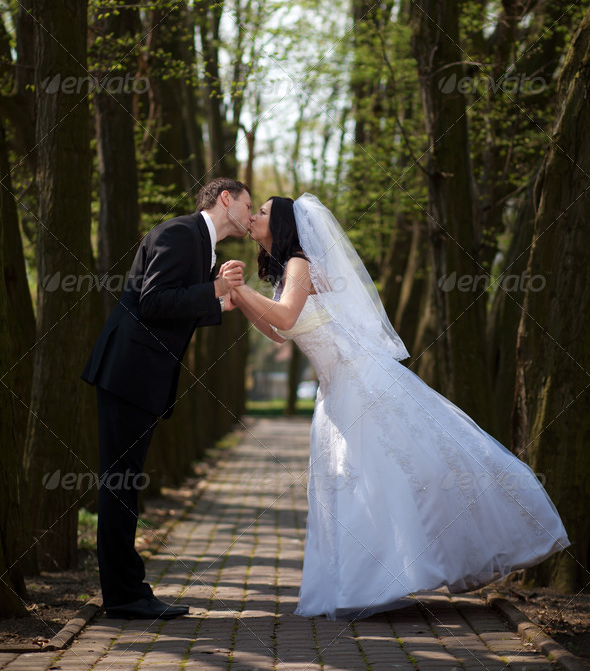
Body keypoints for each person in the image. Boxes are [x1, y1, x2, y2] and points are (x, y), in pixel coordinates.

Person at [229, 193, 570, 621]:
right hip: (336, 388)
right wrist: (241, 300)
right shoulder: (287, 270)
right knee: (357, 478)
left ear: (280, 224)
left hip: (357, 381)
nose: (255, 216)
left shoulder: (298, 263)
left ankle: (379, 580)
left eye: (261, 211)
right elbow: (280, 333)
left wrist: (241, 290)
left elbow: (283, 317)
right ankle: (371, 580)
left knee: (376, 474)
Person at [81, 177, 251, 620]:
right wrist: (213, 291)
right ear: (225, 199)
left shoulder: (200, 244)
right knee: (120, 485)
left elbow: (168, 306)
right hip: (128, 373)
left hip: (137, 377)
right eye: (248, 206)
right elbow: (153, 301)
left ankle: (126, 590)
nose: (251, 217)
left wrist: (217, 307)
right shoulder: (180, 233)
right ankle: (125, 596)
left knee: (124, 484)